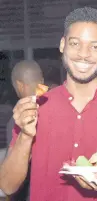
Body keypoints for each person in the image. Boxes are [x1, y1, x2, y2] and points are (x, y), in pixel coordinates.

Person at [0, 7, 97, 201]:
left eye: (95, 46)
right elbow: (7, 186)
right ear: (62, 45)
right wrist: (26, 135)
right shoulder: (36, 108)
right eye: (75, 43)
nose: (83, 54)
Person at [6, 60, 44, 201]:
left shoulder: (18, 119)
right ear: (42, 81)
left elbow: (11, 176)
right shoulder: (59, 109)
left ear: (20, 85)